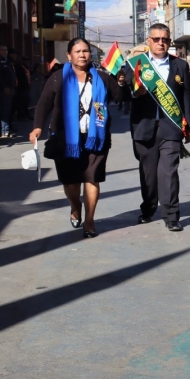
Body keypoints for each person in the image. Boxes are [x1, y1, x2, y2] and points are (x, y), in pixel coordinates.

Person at [29, 38, 125, 237]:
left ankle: (89, 222)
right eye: (78, 51)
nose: (82, 55)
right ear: (69, 56)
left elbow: (120, 97)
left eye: (86, 51)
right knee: (71, 183)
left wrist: (123, 83)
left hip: (96, 137)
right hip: (66, 139)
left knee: (92, 179)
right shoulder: (58, 78)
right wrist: (37, 127)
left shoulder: (102, 78)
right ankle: (75, 206)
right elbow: (44, 104)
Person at [122, 23, 190, 232]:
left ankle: (171, 215)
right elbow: (123, 91)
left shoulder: (180, 65)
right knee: (148, 174)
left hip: (171, 127)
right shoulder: (136, 64)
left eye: (165, 39)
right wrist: (135, 92)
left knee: (169, 172)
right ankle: (148, 208)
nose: (161, 43)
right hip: (143, 126)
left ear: (169, 42)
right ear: (149, 41)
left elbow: (187, 97)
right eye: (156, 39)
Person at [0, 44, 17, 137]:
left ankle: (5, 129)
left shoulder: (6, 61)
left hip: (9, 89)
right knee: (5, 110)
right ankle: (5, 130)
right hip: (2, 90)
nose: (5, 52)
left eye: (6, 50)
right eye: (2, 50)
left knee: (7, 110)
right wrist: (5, 87)